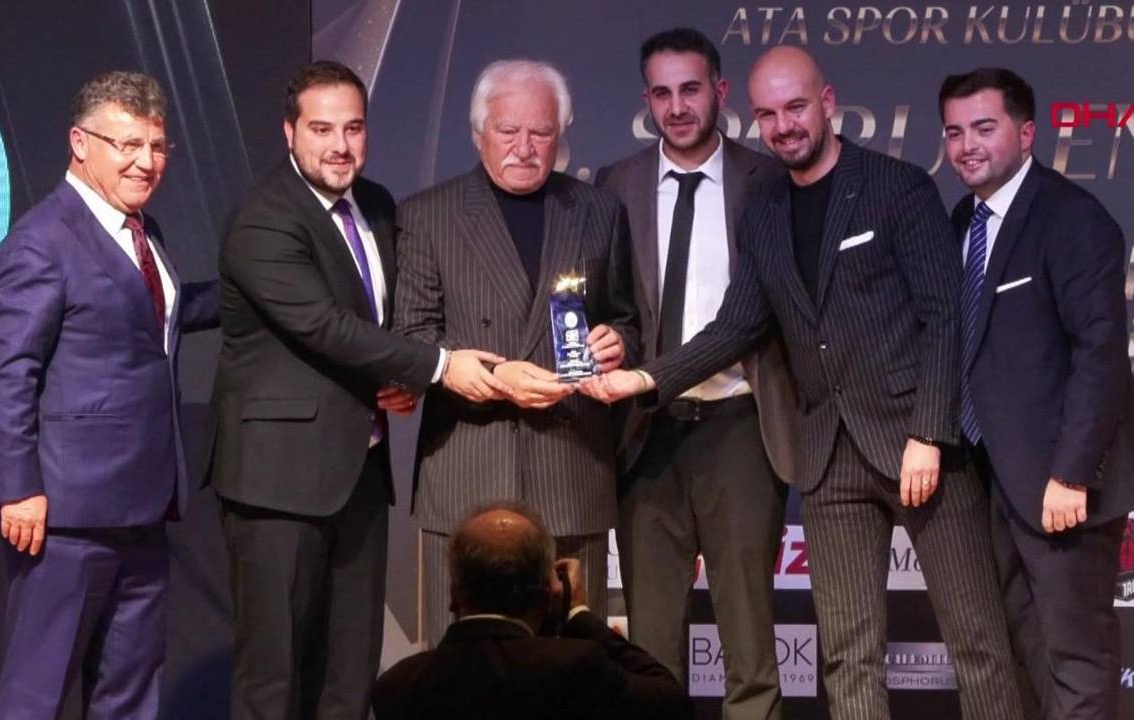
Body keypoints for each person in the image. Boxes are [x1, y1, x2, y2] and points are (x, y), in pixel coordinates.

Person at [583, 47, 1024, 720]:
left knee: (978, 645)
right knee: (848, 655)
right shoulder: (764, 209)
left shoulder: (897, 186)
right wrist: (644, 379)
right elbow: (735, 326)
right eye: (767, 114)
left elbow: (944, 316)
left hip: (919, 445)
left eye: (795, 107)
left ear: (827, 102)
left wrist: (930, 433)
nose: (783, 125)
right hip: (826, 457)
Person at [207, 61, 501, 719]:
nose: (340, 145)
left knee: (350, 676)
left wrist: (394, 377)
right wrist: (436, 367)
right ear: (289, 132)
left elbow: (383, 322)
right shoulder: (263, 219)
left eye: (353, 128)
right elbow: (324, 326)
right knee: (273, 678)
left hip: (360, 474)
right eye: (322, 129)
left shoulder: (377, 205)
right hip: (276, 483)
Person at [0, 71, 218, 718]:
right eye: (128, 144)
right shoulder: (41, 241)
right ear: (80, 143)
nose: (146, 161)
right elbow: (9, 373)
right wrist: (18, 488)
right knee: (36, 694)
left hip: (144, 507)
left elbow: (159, 317)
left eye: (157, 146)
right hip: (65, 517)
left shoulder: (144, 231)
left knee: (131, 695)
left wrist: (257, 291)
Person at [393, 59, 639, 641]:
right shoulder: (428, 215)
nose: (524, 148)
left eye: (541, 132)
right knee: (461, 667)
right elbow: (411, 338)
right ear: (478, 132)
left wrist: (617, 342)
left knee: (572, 663)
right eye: (508, 131)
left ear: (561, 134)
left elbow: (627, 319)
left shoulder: (598, 211)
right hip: (469, 470)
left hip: (571, 469)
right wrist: (495, 377)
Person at [940, 67, 1134, 720]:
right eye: (954, 132)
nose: (967, 146)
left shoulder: (1072, 218)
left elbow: (1100, 356)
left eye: (984, 128)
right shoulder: (963, 219)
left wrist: (1071, 475)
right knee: (1029, 644)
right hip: (999, 478)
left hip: (1065, 486)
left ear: (1027, 132)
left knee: (1076, 654)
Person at [593, 27, 795, 719]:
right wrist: (610, 341)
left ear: (720, 91)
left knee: (750, 644)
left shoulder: (767, 182)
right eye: (661, 93)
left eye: (690, 89)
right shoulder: (614, 183)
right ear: (646, 99)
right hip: (644, 434)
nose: (677, 107)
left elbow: (769, 313)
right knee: (650, 647)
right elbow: (614, 307)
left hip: (740, 426)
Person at [371, 502, 693, 720]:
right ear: (546, 596)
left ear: (454, 596)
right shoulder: (577, 667)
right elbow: (672, 702)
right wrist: (579, 613)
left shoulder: (397, 687)